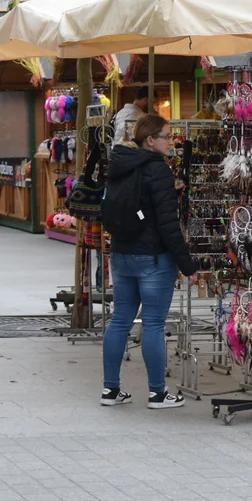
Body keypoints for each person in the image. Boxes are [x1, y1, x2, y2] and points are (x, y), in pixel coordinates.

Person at [101, 114, 197, 409]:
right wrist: (187, 265)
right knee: (154, 323)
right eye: (167, 136)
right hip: (153, 257)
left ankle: (111, 390)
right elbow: (168, 224)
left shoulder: (119, 164)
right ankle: (157, 393)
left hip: (120, 253)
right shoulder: (157, 170)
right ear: (150, 140)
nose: (172, 142)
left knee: (119, 321)